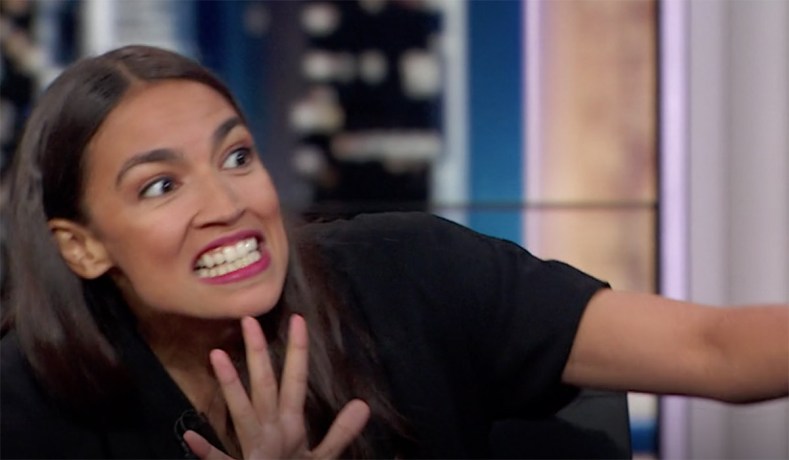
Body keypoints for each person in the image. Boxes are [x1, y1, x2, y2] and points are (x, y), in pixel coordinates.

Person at [0, 45, 786, 460]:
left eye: (236, 157)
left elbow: (712, 348)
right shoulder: (26, 410)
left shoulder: (411, 275)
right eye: (161, 186)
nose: (228, 204)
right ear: (83, 247)